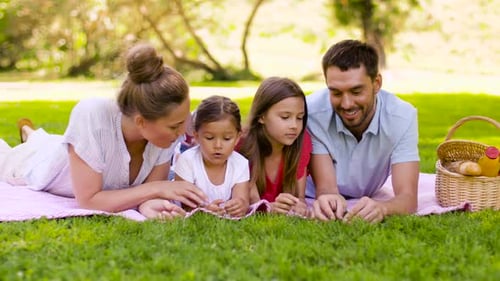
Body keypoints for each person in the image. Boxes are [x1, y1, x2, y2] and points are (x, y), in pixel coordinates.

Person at [0, 43, 208, 220]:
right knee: (18, 155)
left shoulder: (163, 136)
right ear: (141, 122)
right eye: (174, 126)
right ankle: (29, 135)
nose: (183, 132)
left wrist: (149, 205)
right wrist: (158, 189)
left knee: (47, 141)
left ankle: (30, 132)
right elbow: (89, 201)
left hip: (70, 149)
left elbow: (148, 192)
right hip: (38, 163)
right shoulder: (92, 115)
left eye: (184, 121)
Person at [306, 39, 420, 223]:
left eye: (356, 91)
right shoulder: (312, 112)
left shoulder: (403, 117)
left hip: (369, 194)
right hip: (309, 194)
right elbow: (327, 190)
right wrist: (328, 202)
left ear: (376, 83)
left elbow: (408, 198)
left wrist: (383, 207)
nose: (346, 103)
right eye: (336, 93)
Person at [238, 77, 312, 217]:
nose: (294, 126)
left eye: (299, 117)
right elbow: (248, 203)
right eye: (285, 117)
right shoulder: (242, 145)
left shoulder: (302, 141)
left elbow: (299, 198)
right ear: (261, 117)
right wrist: (268, 208)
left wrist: (298, 205)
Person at [174, 95, 250, 218]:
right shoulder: (188, 160)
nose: (218, 145)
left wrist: (238, 205)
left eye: (227, 138)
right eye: (209, 138)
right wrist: (203, 209)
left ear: (237, 138)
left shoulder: (240, 164)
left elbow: (242, 199)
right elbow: (185, 204)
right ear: (196, 136)